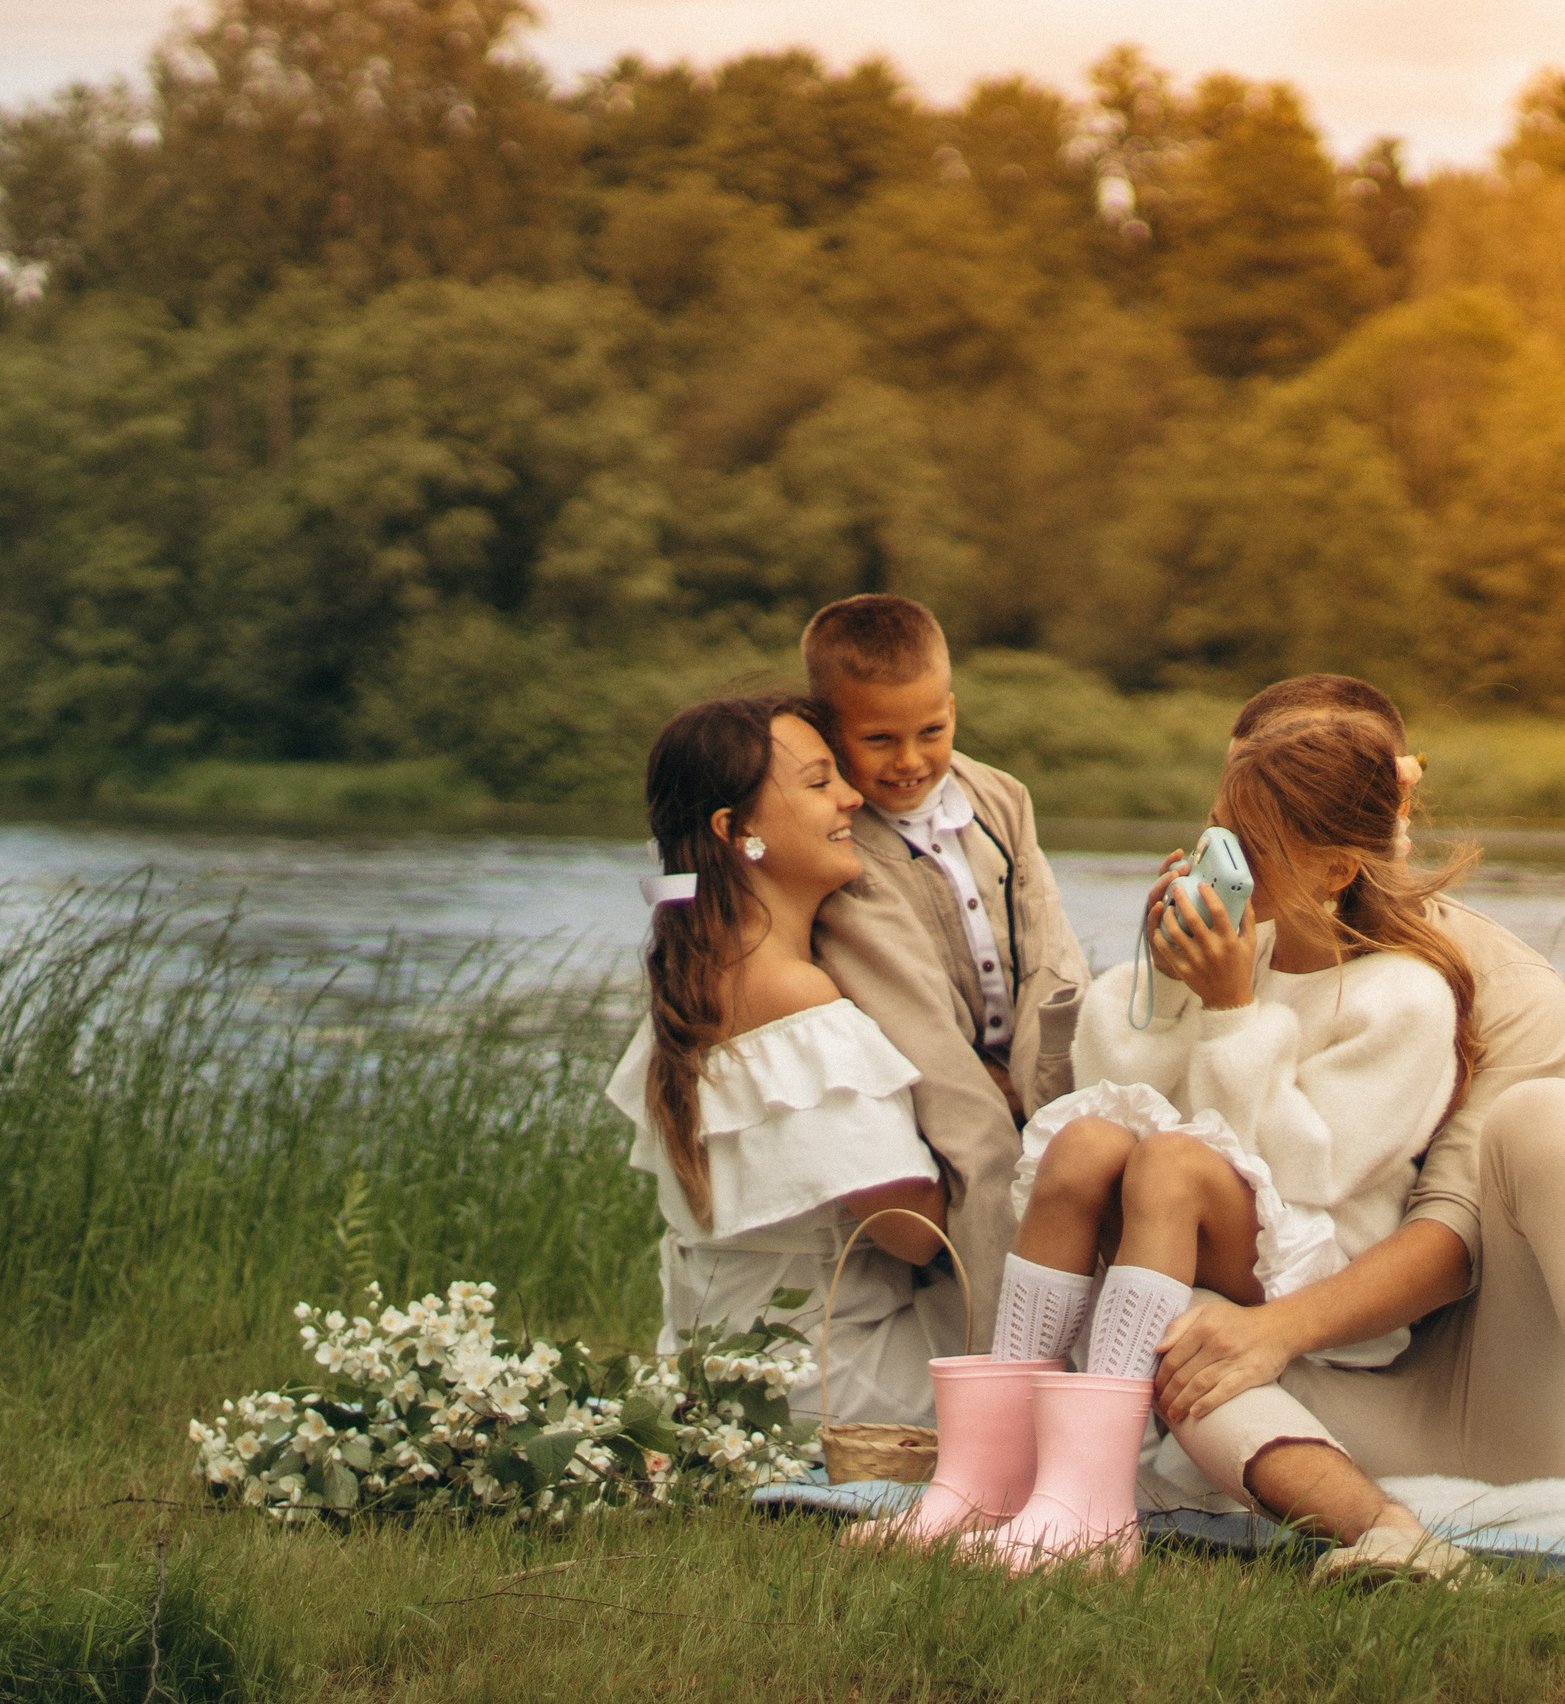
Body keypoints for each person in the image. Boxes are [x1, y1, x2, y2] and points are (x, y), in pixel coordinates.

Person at [1148, 676, 1565, 1605]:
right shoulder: (1210, 954)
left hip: (1496, 1396)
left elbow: (1451, 1241)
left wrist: (1272, 1331)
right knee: (1169, 1338)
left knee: (1548, 1116)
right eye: (1227, 814)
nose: (1227, 852)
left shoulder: (1504, 985)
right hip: (1316, 1405)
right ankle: (1395, 1541)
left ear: (1377, 814)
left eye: (1262, 825)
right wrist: (1167, 998)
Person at [889, 714, 1476, 1571]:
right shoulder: (1242, 945)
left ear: (1336, 868)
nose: (1221, 858)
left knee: (1169, 1165)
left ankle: (1092, 1505)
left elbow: (1311, 1173)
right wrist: (1167, 990)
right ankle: (991, 1477)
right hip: (1202, 1222)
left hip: (1323, 1259)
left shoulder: (1405, 997)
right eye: (1216, 829)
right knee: (1086, 1142)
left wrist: (1235, 1011)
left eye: (1251, 844)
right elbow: (1117, 1097)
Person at [602, 693, 954, 1424]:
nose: (853, 798)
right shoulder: (793, 996)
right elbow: (913, 1232)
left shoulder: (691, 977)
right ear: (737, 831)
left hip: (729, 1366)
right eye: (820, 783)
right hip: (826, 1375)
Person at [804, 595, 1090, 1337]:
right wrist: (995, 1106)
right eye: (879, 739)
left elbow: (1050, 948)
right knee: (988, 1165)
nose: (910, 760)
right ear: (832, 732)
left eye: (932, 730)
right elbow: (908, 1012)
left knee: (1094, 1138)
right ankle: (1004, 1368)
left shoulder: (1001, 799)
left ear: (954, 709)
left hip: (1028, 1056)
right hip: (945, 1073)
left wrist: (1048, 1085)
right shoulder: (845, 845)